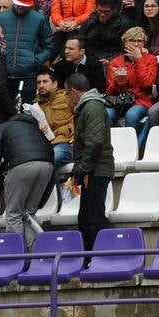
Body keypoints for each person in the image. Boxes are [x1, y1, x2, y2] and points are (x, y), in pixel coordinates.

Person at [0, 105, 56, 248]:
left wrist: (1, 182)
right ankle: (37, 255)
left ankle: (17, 258)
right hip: (48, 165)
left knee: (14, 214)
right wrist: (41, 201)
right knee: (28, 213)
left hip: (21, 166)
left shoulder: (3, 127)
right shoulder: (36, 129)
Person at [65, 72, 113, 251]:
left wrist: (84, 170)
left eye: (67, 93)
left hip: (96, 170)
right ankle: (89, 259)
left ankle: (100, 258)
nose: (68, 98)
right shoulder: (88, 107)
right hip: (92, 169)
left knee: (94, 219)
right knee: (85, 219)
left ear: (74, 91)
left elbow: (94, 143)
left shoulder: (92, 107)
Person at [0, 0, 54, 103]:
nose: (20, 8)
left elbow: (49, 46)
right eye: (18, 4)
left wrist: (36, 59)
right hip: (3, 74)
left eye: (24, 5)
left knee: (26, 110)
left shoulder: (39, 19)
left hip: (28, 75)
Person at [34, 67, 75, 170]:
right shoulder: (35, 106)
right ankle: (56, 187)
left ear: (55, 84)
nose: (41, 85)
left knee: (49, 161)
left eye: (45, 81)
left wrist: (76, 135)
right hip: (45, 145)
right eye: (39, 82)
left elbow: (82, 118)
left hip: (66, 143)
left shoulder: (67, 98)